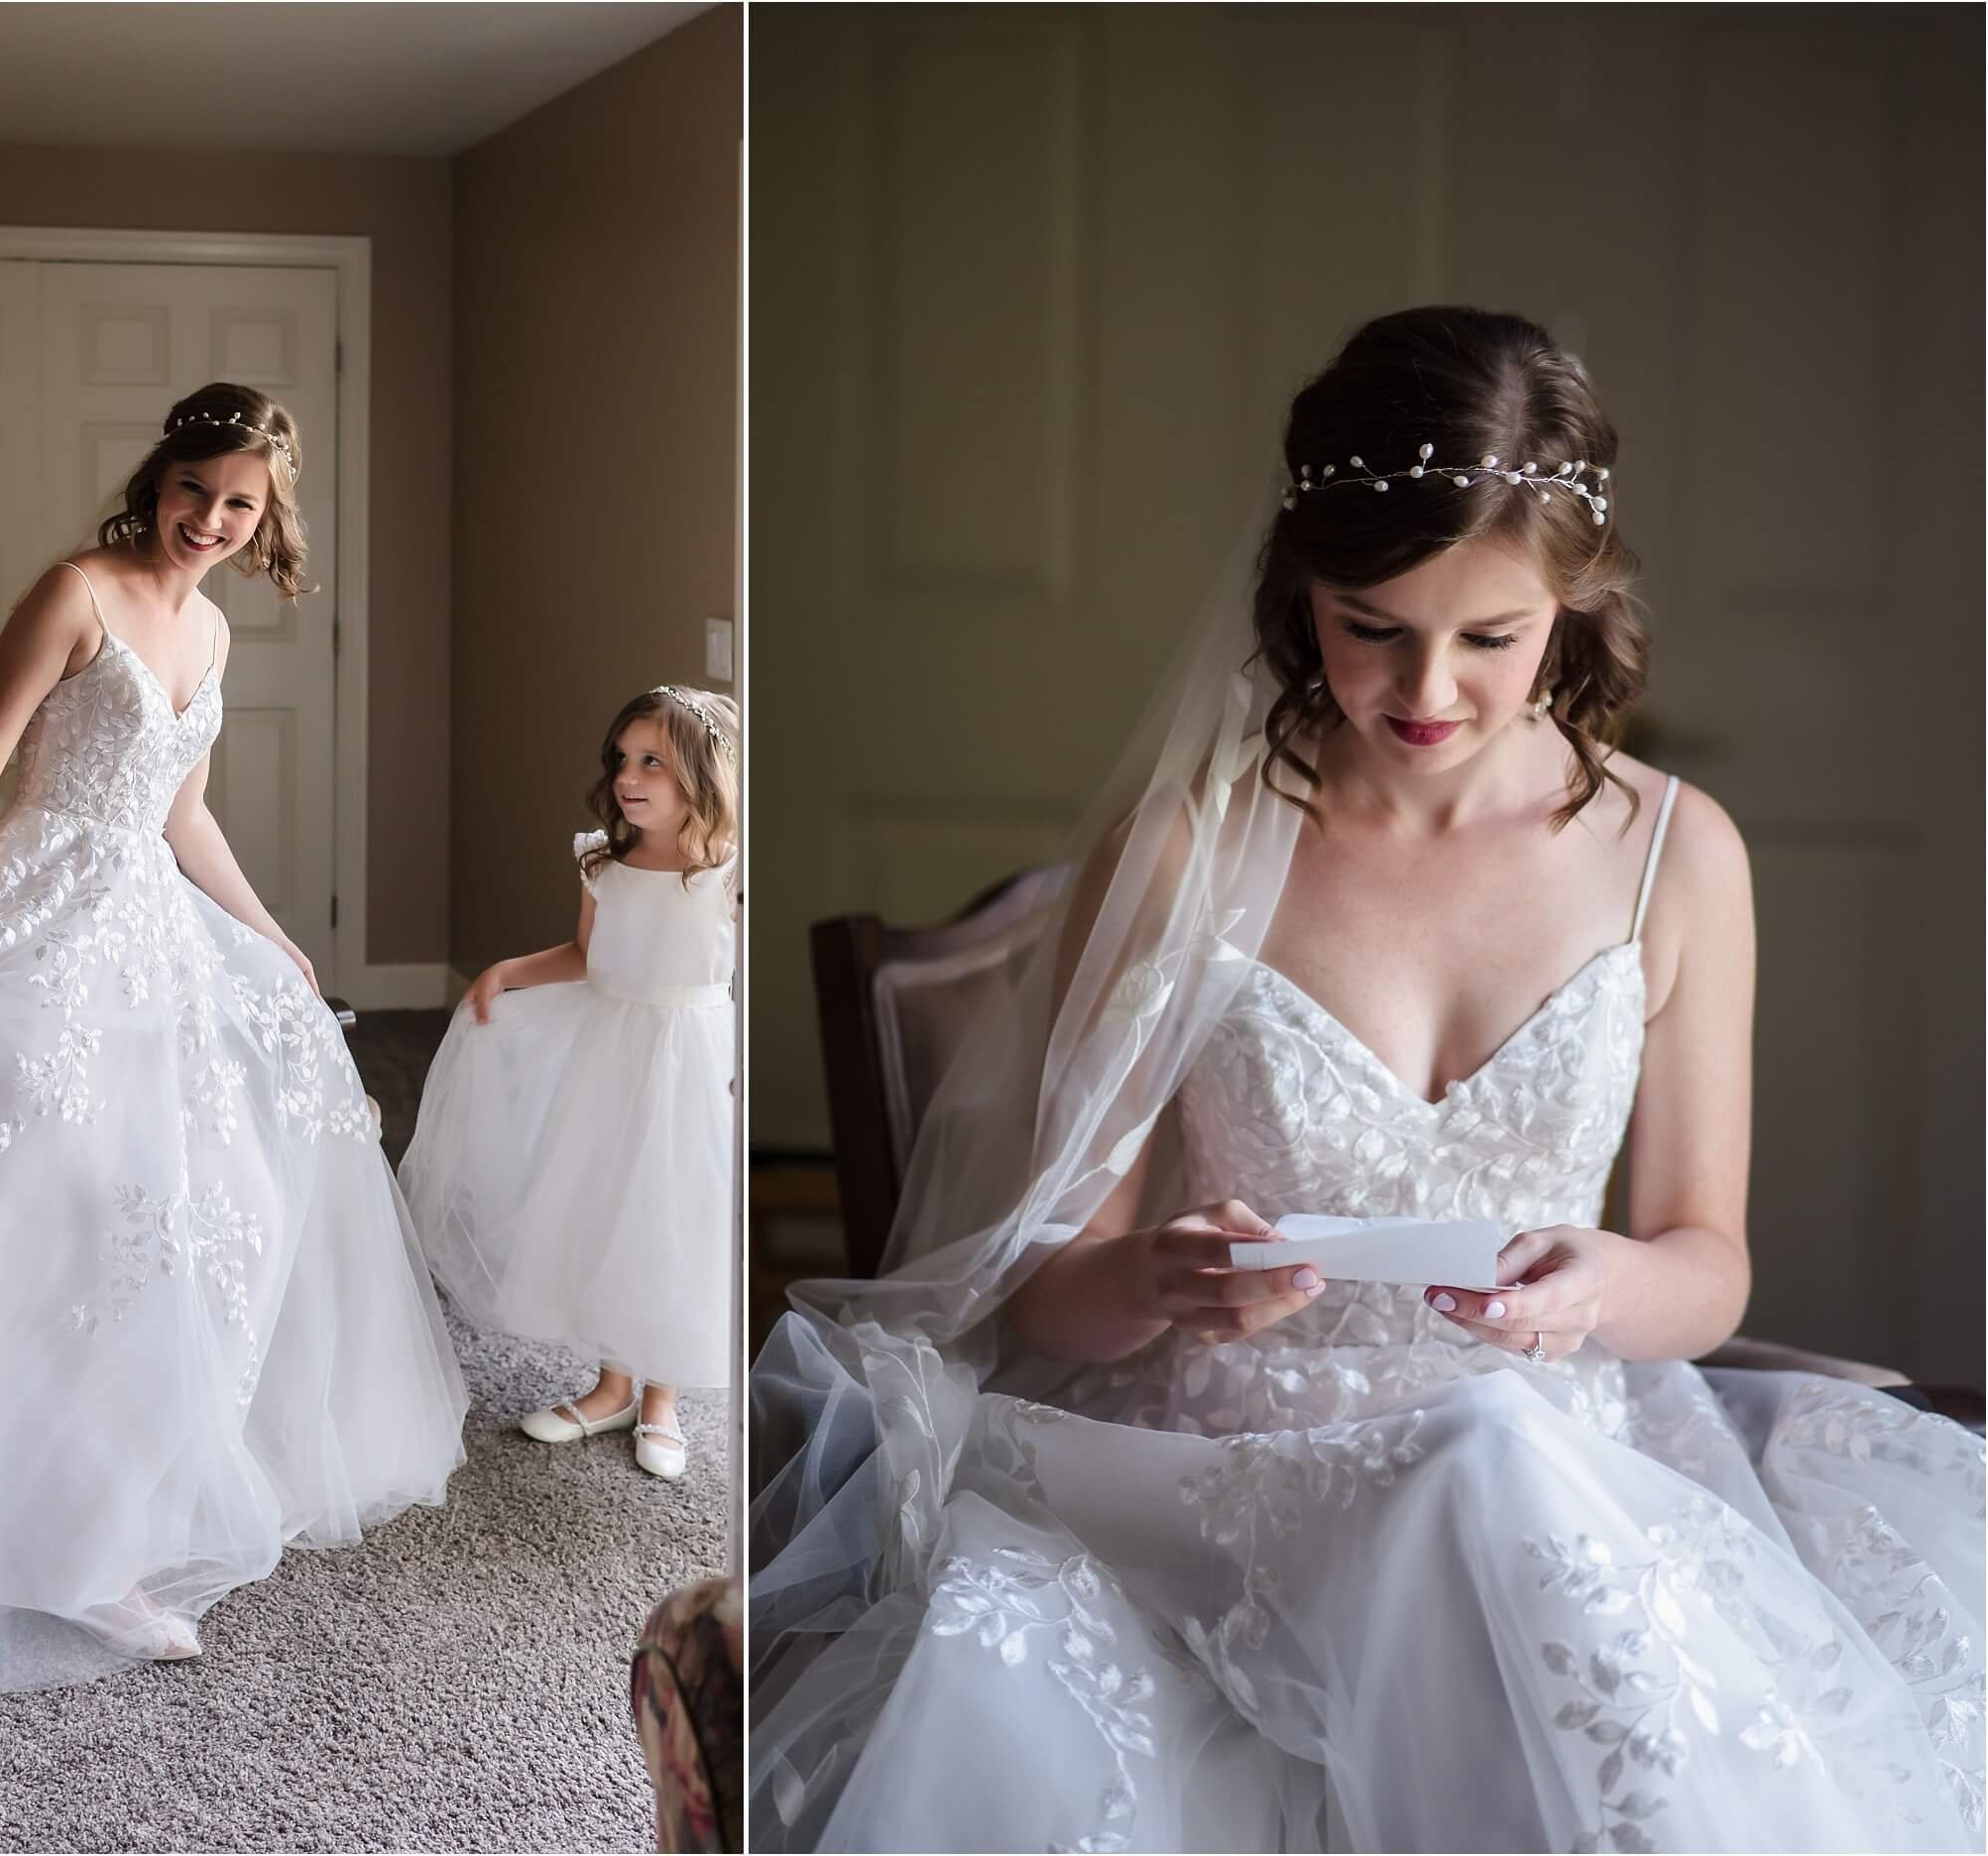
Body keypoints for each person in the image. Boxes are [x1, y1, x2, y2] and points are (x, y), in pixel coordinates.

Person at [748, 307, 1983, 1852]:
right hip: (1231, 1481)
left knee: (1493, 1459)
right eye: (1371, 625)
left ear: (1574, 608)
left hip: (1563, 1467)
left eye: (1493, 639)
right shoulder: (1191, 851)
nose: (1429, 694)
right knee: (1459, 1480)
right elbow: (1044, 1291)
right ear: (1295, 593)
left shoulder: (1681, 858)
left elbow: (1707, 1262)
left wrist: (1594, 1290)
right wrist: (1161, 1277)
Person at [0, 383, 467, 1689]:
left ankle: (114, 1525)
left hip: (150, 937)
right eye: (193, 490)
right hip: (39, 919)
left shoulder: (213, 634)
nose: (207, 519)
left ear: (266, 522)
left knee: (226, 1214)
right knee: (54, 1218)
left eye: (238, 505)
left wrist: (272, 935)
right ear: (158, 479)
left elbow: (184, 815)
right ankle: (10, 1528)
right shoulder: (74, 594)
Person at [403, 686, 740, 1480]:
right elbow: (587, 958)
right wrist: (509, 972)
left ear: (701, 774)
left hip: (692, 1059)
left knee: (670, 1220)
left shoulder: (728, 872)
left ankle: (661, 1398)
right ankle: (611, 1386)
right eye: (622, 759)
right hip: (613, 1054)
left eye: (652, 762)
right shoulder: (603, 862)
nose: (629, 776)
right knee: (604, 1209)